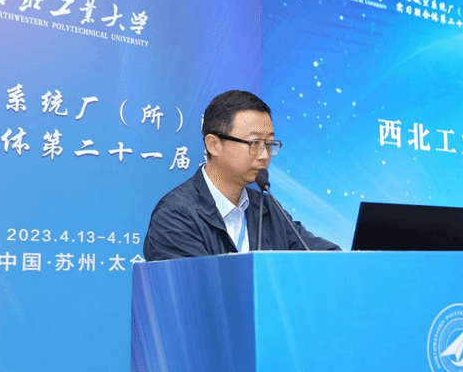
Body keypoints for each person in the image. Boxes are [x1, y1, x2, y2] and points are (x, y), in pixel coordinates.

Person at [143, 89, 340, 260]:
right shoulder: (175, 216)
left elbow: (323, 257)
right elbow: (199, 287)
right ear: (213, 145)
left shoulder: (267, 208)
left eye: (269, 144)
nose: (264, 156)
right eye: (255, 143)